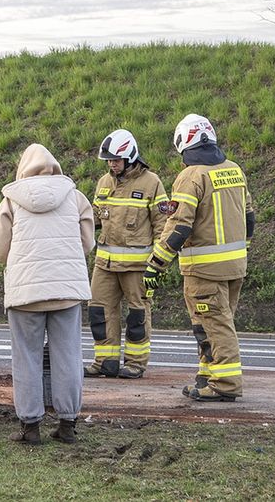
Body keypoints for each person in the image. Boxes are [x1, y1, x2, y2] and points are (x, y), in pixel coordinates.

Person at [0, 143, 94, 445]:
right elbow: (87, 243)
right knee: (68, 356)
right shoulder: (75, 197)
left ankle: (30, 426)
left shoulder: (11, 200)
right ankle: (68, 423)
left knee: (27, 358)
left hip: (26, 293)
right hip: (67, 291)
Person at [146, 114, 255, 402]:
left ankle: (225, 384)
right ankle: (207, 375)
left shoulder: (191, 176)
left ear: (182, 143)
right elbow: (249, 217)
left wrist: (156, 264)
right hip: (235, 266)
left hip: (204, 270)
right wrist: (241, 250)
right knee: (209, 324)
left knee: (216, 326)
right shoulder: (234, 170)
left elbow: (179, 226)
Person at [85, 129, 170, 380]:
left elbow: (163, 225)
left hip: (137, 267)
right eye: (109, 160)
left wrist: (158, 263)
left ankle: (135, 363)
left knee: (137, 315)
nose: (112, 164)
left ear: (130, 157)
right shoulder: (104, 182)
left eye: (116, 160)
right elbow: (96, 217)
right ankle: (105, 361)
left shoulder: (151, 183)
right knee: (98, 311)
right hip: (105, 264)